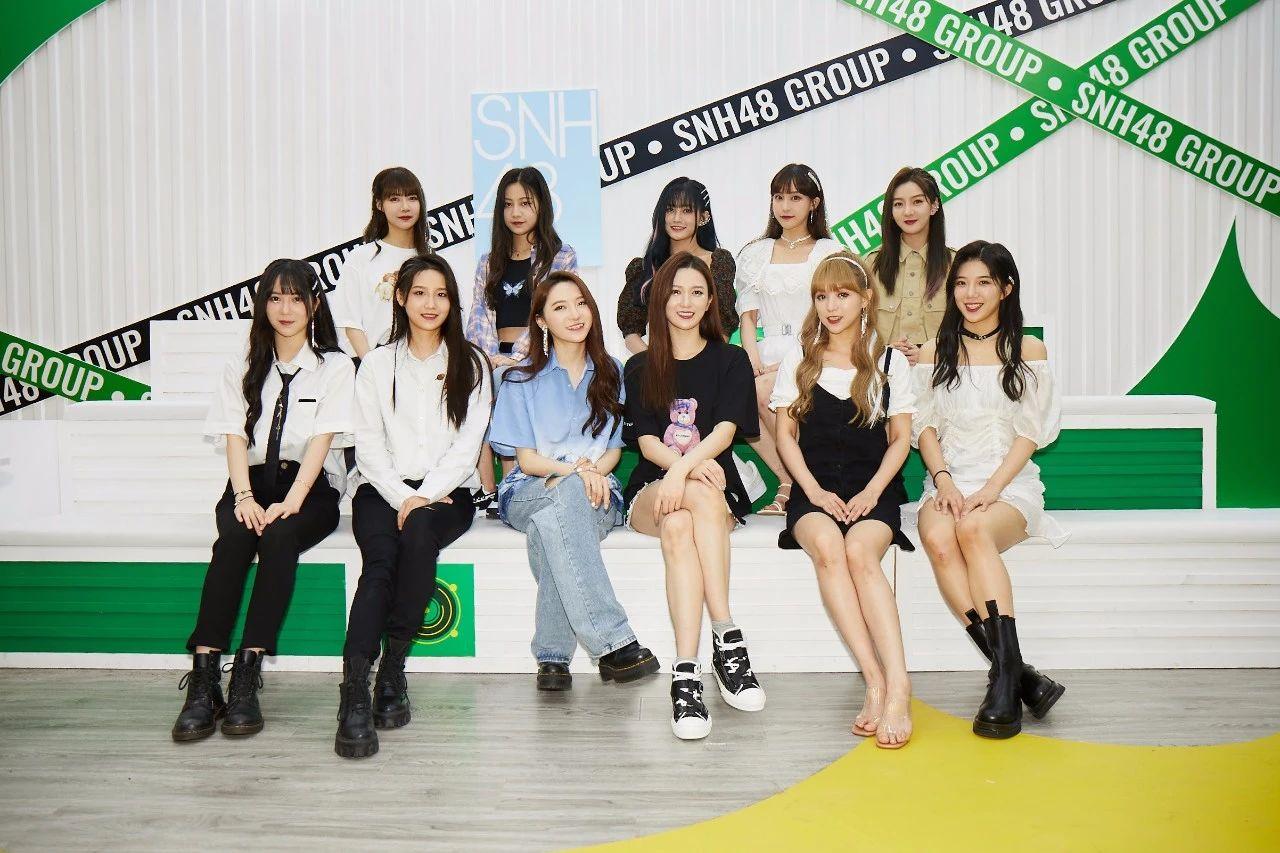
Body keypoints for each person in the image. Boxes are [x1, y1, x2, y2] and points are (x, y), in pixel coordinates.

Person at [172, 259, 353, 742]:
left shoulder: (335, 367)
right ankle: (204, 680)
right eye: (275, 298)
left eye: (296, 298)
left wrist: (292, 500)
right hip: (248, 483)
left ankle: (246, 679)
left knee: (278, 537)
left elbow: (322, 440)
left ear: (315, 304)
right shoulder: (242, 364)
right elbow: (234, 435)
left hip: (309, 487)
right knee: (233, 541)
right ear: (262, 305)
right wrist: (244, 497)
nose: (285, 309)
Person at [335, 254, 492, 758]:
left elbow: (468, 446)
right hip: (381, 489)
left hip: (449, 491)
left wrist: (427, 494)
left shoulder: (471, 364)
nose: (430, 303)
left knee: (421, 534)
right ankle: (354, 692)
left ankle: (392, 670)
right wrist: (406, 497)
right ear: (400, 298)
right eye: (419, 293)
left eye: (441, 294)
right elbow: (368, 447)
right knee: (380, 562)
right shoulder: (377, 365)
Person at [912, 240, 1067, 739]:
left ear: (1006, 288)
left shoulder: (1029, 350)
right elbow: (923, 426)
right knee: (939, 537)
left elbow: (1031, 433)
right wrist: (943, 479)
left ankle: (1003, 682)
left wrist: (992, 488)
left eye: (983, 282)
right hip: (948, 479)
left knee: (973, 530)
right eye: (961, 283)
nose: (971, 294)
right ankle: (1016, 673)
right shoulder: (935, 351)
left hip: (1009, 484)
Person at [771, 251, 916, 748]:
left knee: (860, 552)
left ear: (865, 299)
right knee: (830, 549)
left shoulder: (890, 362)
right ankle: (874, 681)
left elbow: (901, 439)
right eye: (821, 296)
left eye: (842, 294)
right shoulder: (800, 359)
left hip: (873, 489)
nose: (831, 306)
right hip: (814, 491)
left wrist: (873, 491)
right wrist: (813, 491)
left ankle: (899, 687)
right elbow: (785, 435)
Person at [490, 271, 660, 690]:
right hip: (529, 490)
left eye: (581, 303)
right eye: (560, 307)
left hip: (598, 490)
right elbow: (527, 461)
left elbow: (613, 450)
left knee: (550, 528)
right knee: (563, 500)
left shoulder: (612, 371)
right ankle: (613, 642)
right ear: (542, 320)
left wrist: (591, 473)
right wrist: (578, 473)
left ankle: (552, 657)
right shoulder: (520, 378)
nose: (575, 314)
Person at [623, 252, 764, 740]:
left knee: (685, 520)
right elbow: (646, 443)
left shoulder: (731, 360)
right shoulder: (640, 366)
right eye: (676, 292)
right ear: (661, 300)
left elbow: (725, 431)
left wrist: (684, 470)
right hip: (653, 488)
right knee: (693, 498)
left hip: (709, 488)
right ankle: (729, 639)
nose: (686, 302)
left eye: (697, 292)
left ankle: (686, 674)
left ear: (710, 303)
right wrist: (681, 471)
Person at [734, 163, 841, 516]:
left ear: (814, 203)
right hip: (765, 351)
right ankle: (790, 480)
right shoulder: (756, 253)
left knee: (765, 390)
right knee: (740, 396)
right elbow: (748, 317)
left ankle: (796, 485)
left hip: (816, 349)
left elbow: (835, 316)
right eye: (779, 197)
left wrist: (791, 360)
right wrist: (751, 359)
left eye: (795, 197)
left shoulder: (829, 252)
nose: (785, 206)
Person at [466, 166, 577, 501]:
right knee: (476, 379)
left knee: (508, 378)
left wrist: (513, 359)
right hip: (492, 355)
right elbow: (477, 318)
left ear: (541, 206)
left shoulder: (560, 257)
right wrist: (486, 358)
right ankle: (488, 488)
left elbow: (554, 315)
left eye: (525, 203)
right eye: (508, 204)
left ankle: (511, 484)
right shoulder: (488, 262)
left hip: (539, 354)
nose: (516, 212)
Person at [616, 176, 736, 353]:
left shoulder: (717, 262)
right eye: (670, 209)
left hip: (706, 362)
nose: (677, 218)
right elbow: (631, 331)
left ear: (703, 217)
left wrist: (703, 362)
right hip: (657, 362)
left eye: (686, 210)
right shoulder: (645, 268)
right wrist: (653, 361)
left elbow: (723, 326)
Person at [329, 166, 431, 358]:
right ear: (379, 204)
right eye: (394, 199)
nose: (405, 207)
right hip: (372, 361)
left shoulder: (431, 260)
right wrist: (371, 366)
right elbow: (349, 322)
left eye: (412, 198)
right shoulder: (361, 258)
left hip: (424, 362)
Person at [864, 166, 954, 366]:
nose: (908, 211)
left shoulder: (955, 265)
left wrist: (929, 355)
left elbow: (967, 332)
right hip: (883, 374)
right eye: (898, 204)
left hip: (938, 375)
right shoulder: (870, 264)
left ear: (934, 206)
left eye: (917, 202)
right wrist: (886, 354)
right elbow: (856, 329)